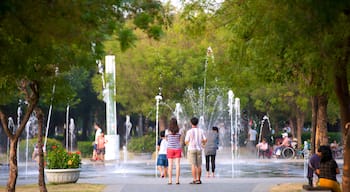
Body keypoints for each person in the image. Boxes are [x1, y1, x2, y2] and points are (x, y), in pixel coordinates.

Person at [185, 117, 207, 184]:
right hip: (199, 149)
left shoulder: (189, 131)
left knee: (193, 165)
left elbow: (186, 141)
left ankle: (194, 179)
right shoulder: (201, 131)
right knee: (199, 165)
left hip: (191, 149)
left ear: (191, 123)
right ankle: (199, 179)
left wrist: (189, 144)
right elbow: (205, 139)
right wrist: (202, 143)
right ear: (197, 123)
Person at [166, 118, 182, 185]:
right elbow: (180, 140)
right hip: (177, 149)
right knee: (177, 165)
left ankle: (170, 180)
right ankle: (177, 180)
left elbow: (167, 139)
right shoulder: (179, 131)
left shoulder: (167, 131)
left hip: (170, 149)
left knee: (170, 165)